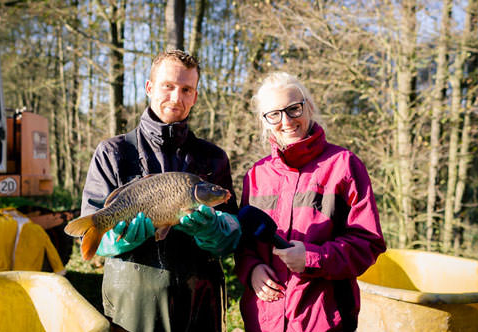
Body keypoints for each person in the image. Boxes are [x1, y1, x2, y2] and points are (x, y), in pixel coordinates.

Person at [80, 50, 241, 332]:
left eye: (186, 89)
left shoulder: (213, 157)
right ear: (150, 88)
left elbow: (232, 235)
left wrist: (215, 230)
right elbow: (91, 229)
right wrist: (118, 238)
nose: (176, 97)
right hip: (132, 306)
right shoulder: (113, 152)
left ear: (195, 96)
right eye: (168, 86)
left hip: (200, 305)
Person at [235, 72, 386, 332]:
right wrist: (251, 270)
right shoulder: (256, 175)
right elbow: (243, 242)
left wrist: (312, 258)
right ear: (265, 122)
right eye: (275, 114)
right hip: (262, 322)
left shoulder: (344, 166)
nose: (287, 121)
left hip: (323, 322)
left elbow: (368, 244)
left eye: (294, 109)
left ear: (310, 107)